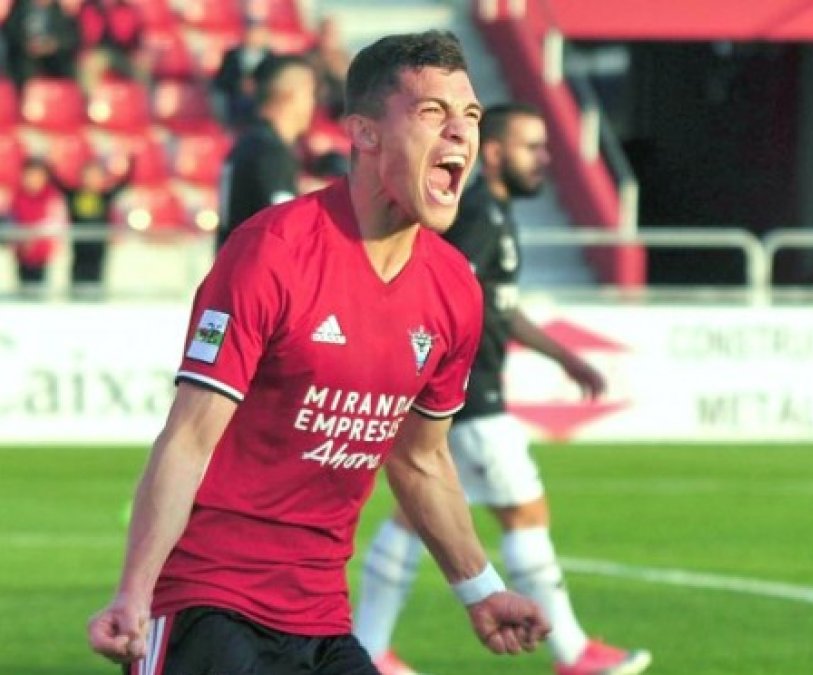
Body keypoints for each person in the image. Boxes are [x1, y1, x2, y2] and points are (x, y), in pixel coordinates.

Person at [86, 30, 550, 674]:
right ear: (363, 133)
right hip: (206, 603)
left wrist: (480, 589)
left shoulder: (454, 289)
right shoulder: (272, 250)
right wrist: (134, 592)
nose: (460, 135)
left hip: (323, 619)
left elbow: (420, 460)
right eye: (432, 113)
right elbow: (189, 437)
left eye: (469, 116)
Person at [354, 103, 652, 675]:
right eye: (529, 147)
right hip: (472, 397)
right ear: (493, 153)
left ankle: (370, 650)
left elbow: (496, 308)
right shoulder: (477, 215)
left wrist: (564, 356)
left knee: (412, 516)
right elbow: (439, 294)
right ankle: (571, 652)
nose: (542, 158)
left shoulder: (494, 214)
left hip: (463, 394)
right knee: (523, 512)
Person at [216, 54, 316, 250]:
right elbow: (285, 227)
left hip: (235, 266)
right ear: (291, 95)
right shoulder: (270, 152)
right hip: (255, 272)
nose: (313, 104)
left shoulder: (250, 142)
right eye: (310, 94)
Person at [49, 155, 134, 297]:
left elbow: (125, 183)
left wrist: (131, 159)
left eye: (96, 175)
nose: (92, 179)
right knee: (77, 284)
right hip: (79, 250)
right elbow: (56, 182)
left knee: (97, 284)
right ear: (82, 177)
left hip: (99, 249)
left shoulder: (105, 197)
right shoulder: (74, 196)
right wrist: (51, 158)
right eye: (89, 175)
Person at [6, 157, 65, 296]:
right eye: (30, 174)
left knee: (42, 293)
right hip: (21, 254)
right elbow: (10, 220)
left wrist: (34, 235)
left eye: (38, 175)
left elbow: (57, 222)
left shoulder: (52, 196)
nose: (33, 179)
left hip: (44, 255)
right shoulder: (16, 195)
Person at [212, 16, 274, 128]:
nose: (255, 37)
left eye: (259, 34)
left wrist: (257, 87)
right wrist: (239, 84)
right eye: (252, 33)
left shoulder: (272, 59)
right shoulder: (231, 56)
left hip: (260, 102)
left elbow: (273, 82)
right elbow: (221, 81)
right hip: (234, 101)